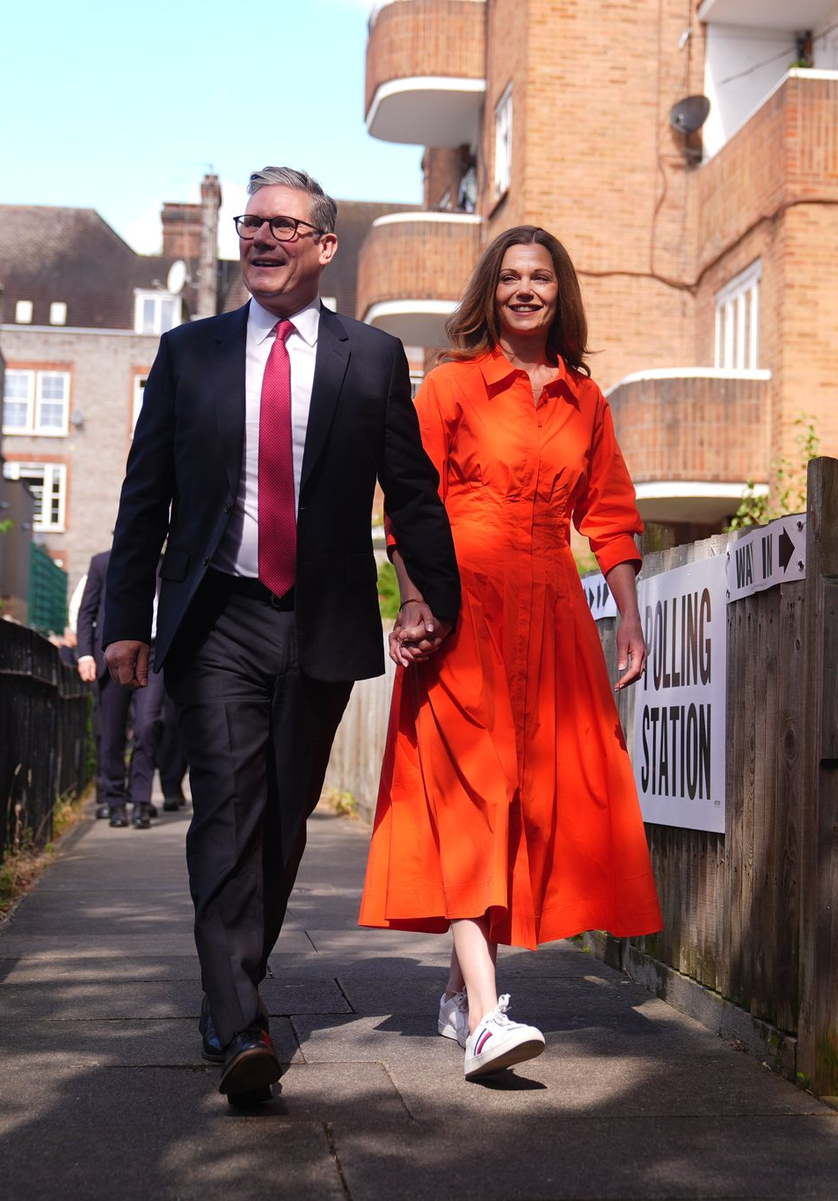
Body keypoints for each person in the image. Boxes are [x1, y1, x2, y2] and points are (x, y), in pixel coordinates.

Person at [103, 167, 459, 1106]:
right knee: (226, 807)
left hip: (321, 618)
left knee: (284, 817)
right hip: (216, 613)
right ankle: (241, 1022)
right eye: (250, 223)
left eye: (283, 226)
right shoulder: (189, 353)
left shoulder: (371, 358)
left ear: (325, 246)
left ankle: (234, 986)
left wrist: (435, 601)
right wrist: (126, 623)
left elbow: (412, 490)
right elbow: (145, 497)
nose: (260, 238)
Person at [359, 226, 662, 1081]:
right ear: (489, 294)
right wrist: (416, 599)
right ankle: (488, 1019)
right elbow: (407, 503)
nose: (525, 289)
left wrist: (629, 618)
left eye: (540, 278)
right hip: (464, 611)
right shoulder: (450, 385)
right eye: (510, 277)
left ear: (560, 293)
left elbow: (609, 513)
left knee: (524, 798)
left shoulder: (585, 398)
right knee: (472, 796)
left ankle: (459, 996)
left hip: (554, 616)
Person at [76, 548, 162, 829]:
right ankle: (114, 801)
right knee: (111, 731)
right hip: (113, 653)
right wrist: (85, 655)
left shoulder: (163, 562)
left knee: (147, 725)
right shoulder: (101, 562)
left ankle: (140, 801)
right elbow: (87, 611)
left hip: (153, 654)